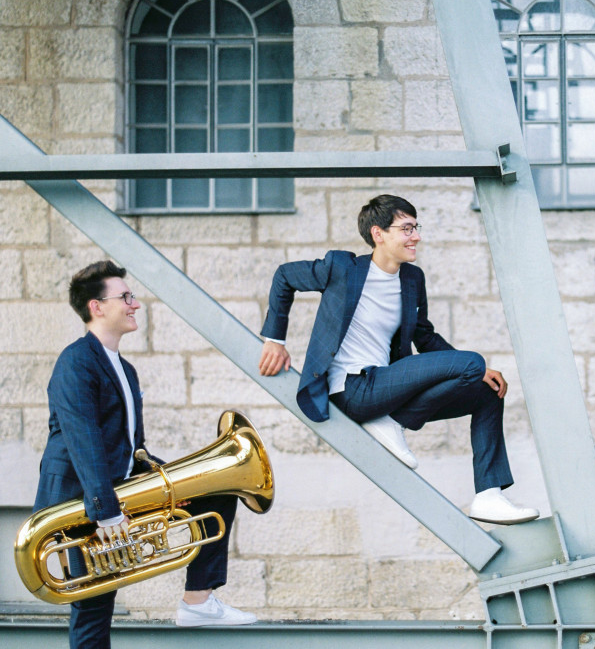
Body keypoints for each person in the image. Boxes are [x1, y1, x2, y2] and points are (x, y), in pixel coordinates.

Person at [258, 194, 538, 525]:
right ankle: (390, 420)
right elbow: (285, 276)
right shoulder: (342, 268)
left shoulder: (411, 279)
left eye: (416, 227)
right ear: (378, 234)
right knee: (472, 363)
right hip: (352, 389)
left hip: (387, 388)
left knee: (487, 391)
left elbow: (424, 336)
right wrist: (275, 340)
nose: (415, 236)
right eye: (406, 229)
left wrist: (479, 371)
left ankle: (488, 496)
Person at [34, 261, 255, 649]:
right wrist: (106, 511)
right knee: (94, 605)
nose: (135, 304)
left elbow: (130, 447)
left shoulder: (126, 369)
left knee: (217, 490)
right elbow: (83, 440)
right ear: (97, 306)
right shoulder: (76, 361)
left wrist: (178, 479)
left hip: (115, 488)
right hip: (81, 499)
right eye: (125, 297)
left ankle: (198, 602)